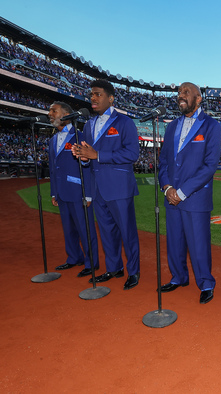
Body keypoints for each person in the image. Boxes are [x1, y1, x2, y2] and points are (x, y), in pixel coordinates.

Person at [72, 80, 141, 290]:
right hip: (98, 188)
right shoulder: (89, 125)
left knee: (127, 232)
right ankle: (114, 268)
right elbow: (89, 156)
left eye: (98, 94)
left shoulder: (124, 122)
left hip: (120, 187)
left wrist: (97, 154)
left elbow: (132, 154)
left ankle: (134, 272)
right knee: (106, 232)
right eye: (92, 94)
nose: (93, 98)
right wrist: (83, 157)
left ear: (111, 98)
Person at [158, 82, 221, 304]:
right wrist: (167, 188)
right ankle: (178, 278)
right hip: (171, 196)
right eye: (179, 93)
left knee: (198, 244)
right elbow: (164, 161)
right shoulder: (171, 126)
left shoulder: (211, 125)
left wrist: (182, 192)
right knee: (174, 242)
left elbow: (210, 165)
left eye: (186, 92)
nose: (180, 96)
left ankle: (205, 283)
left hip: (194, 197)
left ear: (198, 98)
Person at [48, 101, 99, 277]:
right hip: (62, 191)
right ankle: (73, 258)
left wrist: (89, 194)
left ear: (65, 114)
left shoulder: (80, 136)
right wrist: (54, 191)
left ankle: (91, 262)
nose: (50, 114)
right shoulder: (53, 139)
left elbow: (89, 167)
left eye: (54, 111)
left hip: (79, 191)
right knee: (68, 228)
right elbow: (53, 168)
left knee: (85, 229)